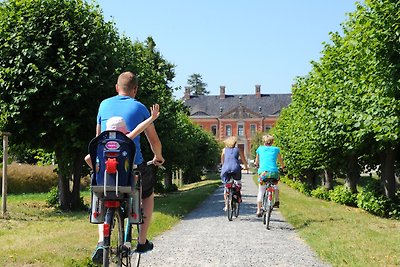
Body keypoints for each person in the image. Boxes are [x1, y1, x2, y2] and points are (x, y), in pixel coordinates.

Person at [92, 71, 164, 263]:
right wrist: (158, 156)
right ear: (135, 90)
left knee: (100, 194)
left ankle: (101, 241)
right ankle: (141, 241)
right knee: (147, 194)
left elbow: (98, 138)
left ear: (117, 87)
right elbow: (153, 140)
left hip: (107, 170)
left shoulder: (103, 105)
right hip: (133, 168)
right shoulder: (139, 107)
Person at [84, 103, 159, 168]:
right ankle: (132, 180)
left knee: (88, 158)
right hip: (124, 165)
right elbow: (139, 128)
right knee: (134, 170)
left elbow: (88, 158)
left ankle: (99, 173)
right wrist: (152, 118)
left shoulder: (103, 142)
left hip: (105, 164)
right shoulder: (126, 138)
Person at [254, 134, 285, 217]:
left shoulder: (260, 149)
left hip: (263, 173)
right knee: (275, 186)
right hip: (274, 173)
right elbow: (281, 161)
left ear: (264, 141)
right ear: (272, 142)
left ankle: (258, 210)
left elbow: (256, 161)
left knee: (261, 191)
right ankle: (277, 201)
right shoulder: (276, 149)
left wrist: (256, 165)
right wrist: (283, 167)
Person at [220, 136, 248, 211]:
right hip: (236, 168)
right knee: (238, 183)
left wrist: (223, 166)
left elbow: (222, 160)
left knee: (226, 187)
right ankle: (237, 196)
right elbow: (243, 159)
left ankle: (226, 205)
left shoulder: (224, 150)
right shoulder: (238, 150)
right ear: (235, 143)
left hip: (225, 169)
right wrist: (246, 167)